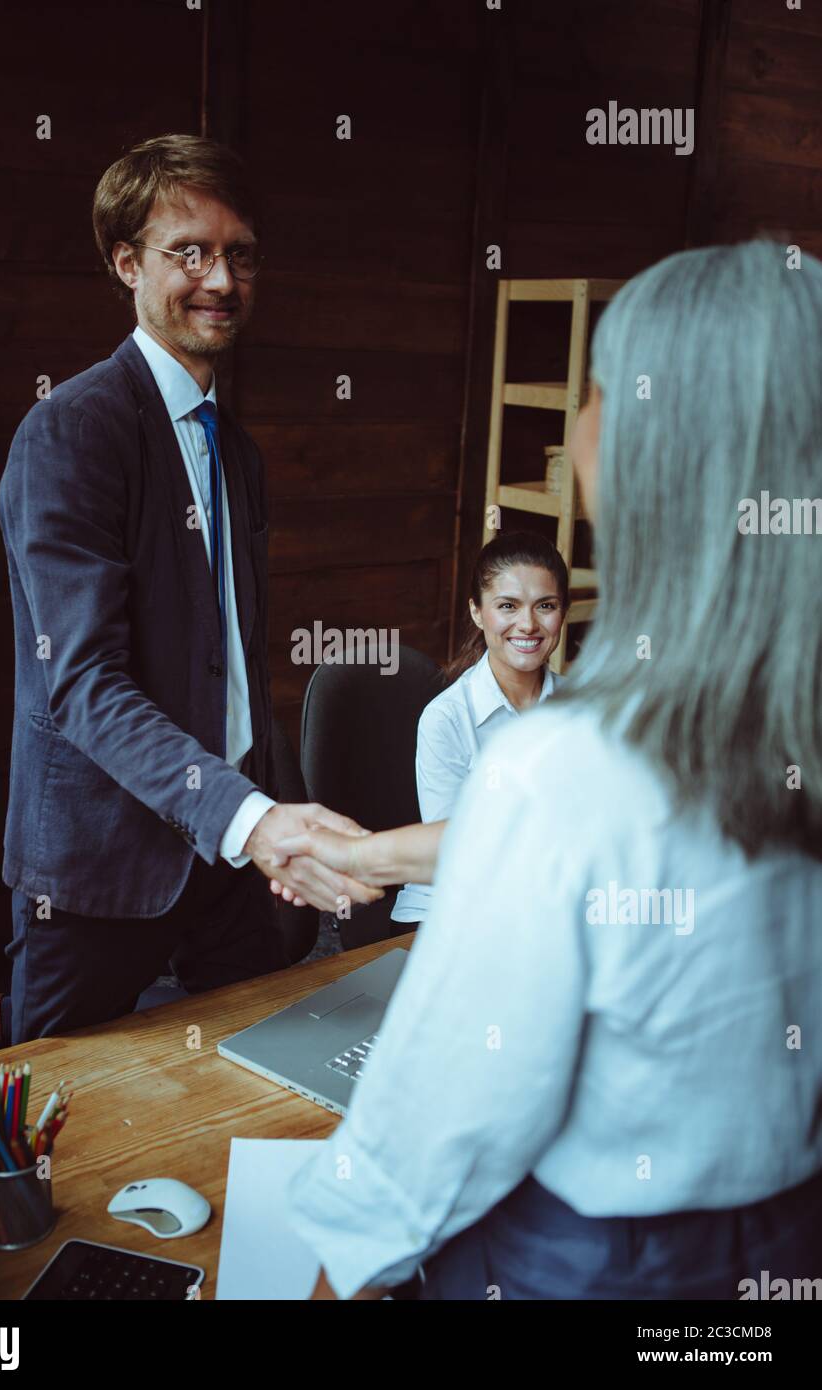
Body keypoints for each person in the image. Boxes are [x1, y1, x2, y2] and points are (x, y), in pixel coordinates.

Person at [274, 240, 822, 1299]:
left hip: (593, 1268)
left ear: (636, 445)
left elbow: (419, 1153)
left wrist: (336, 1270)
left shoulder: (570, 771)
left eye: (594, 394)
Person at [0, 134, 379, 1059]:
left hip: (228, 859)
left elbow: (234, 662)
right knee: (59, 1120)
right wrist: (251, 821)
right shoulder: (69, 433)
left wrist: (266, 814)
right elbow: (83, 683)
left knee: (255, 1077)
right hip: (98, 865)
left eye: (240, 253)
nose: (220, 277)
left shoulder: (237, 453)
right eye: (190, 251)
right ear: (127, 262)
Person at [390, 532, 568, 925]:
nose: (528, 624)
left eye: (546, 606)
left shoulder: (584, 711)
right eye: (508, 606)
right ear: (476, 612)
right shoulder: (447, 719)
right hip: (454, 909)